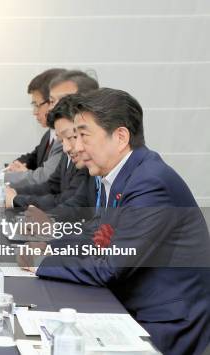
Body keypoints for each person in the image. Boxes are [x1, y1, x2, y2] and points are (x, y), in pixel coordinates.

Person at [21, 88, 210, 354]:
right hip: (134, 299)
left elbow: (110, 266)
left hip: (165, 318)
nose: (75, 147)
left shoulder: (150, 182)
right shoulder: (121, 174)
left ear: (120, 137)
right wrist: (48, 247)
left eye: (83, 135)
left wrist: (42, 261)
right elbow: (95, 235)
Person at [0, 68, 65, 191]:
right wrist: (15, 166)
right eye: (33, 106)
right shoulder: (50, 134)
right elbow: (33, 157)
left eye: (38, 105)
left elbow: (44, 177)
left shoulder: (64, 139)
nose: (35, 112)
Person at [1, 96, 89, 210]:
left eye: (71, 137)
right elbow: (51, 186)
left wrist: (15, 200)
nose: (65, 148)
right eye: (61, 140)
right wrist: (15, 191)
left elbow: (64, 201)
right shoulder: (66, 152)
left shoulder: (87, 162)